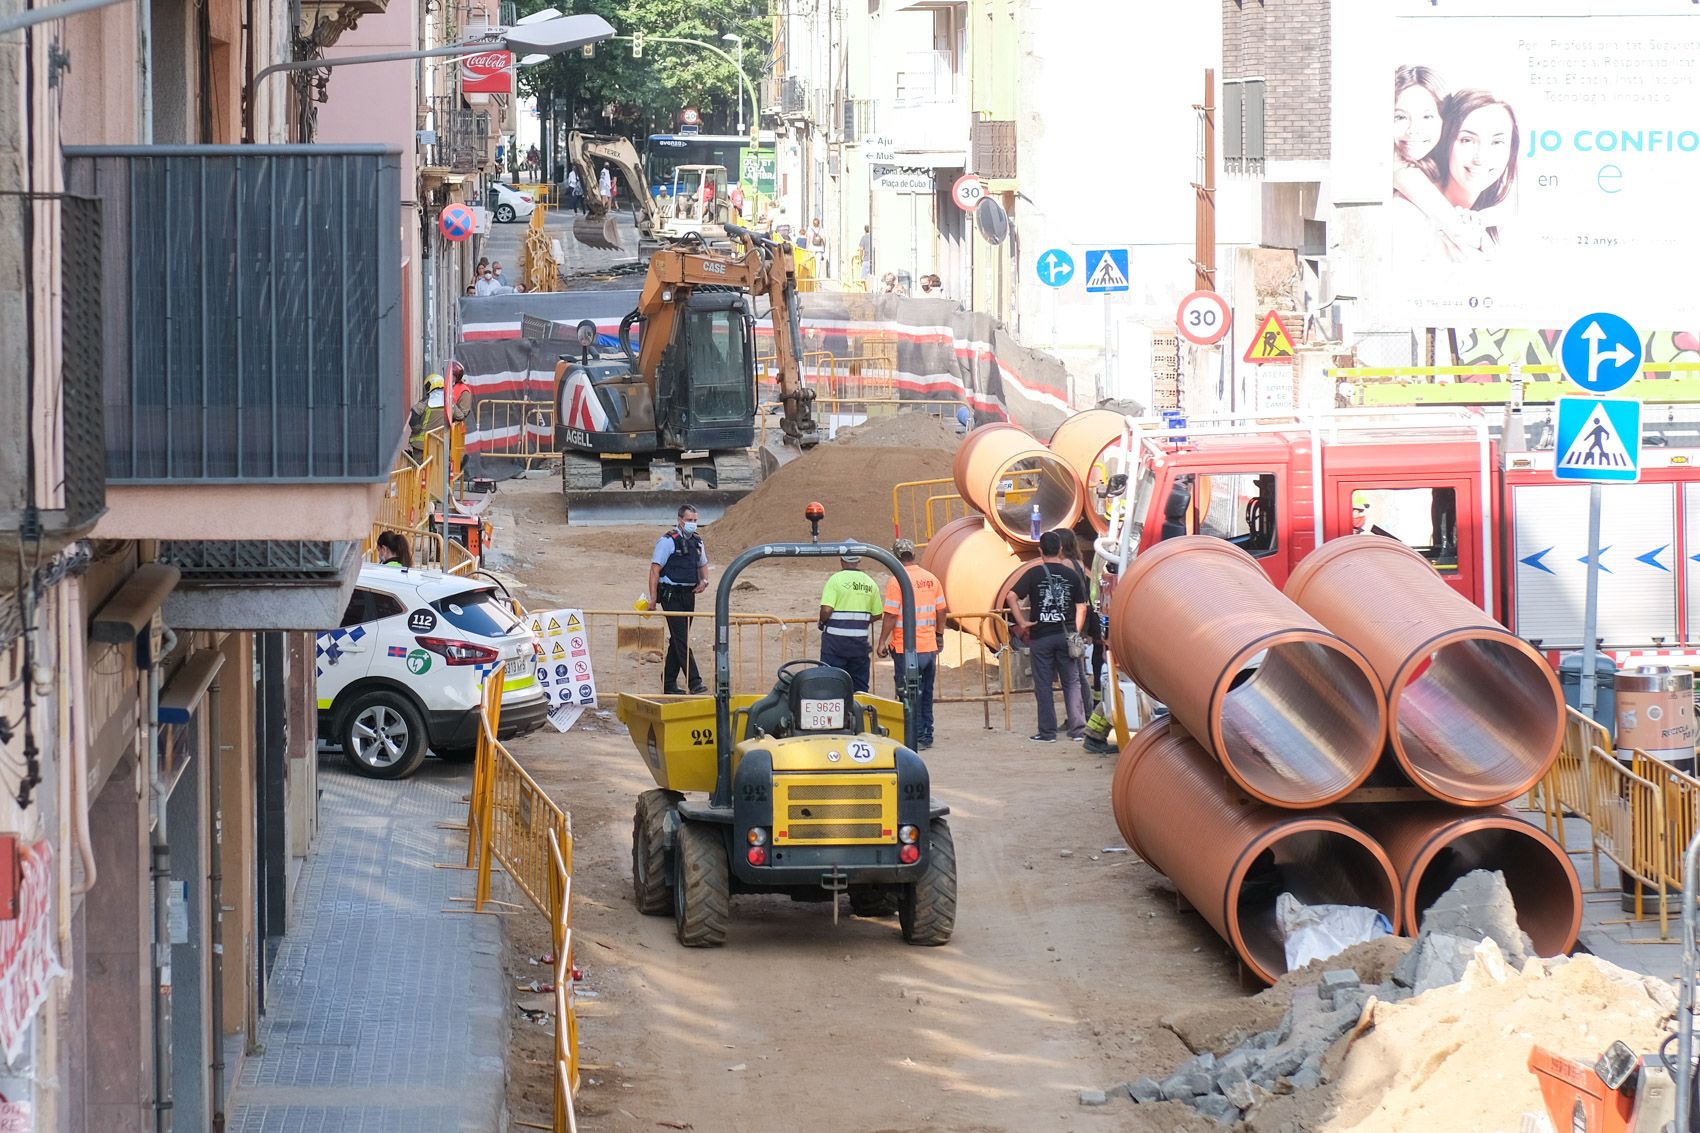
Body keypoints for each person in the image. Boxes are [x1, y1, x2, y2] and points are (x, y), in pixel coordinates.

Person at [1002, 530, 1087, 742]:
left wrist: (1021, 622)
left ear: (1040, 550)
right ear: (1059, 550)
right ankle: (1077, 729)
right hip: (1065, 634)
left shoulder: (1033, 574)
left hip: (1041, 636)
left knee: (1043, 684)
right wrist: (1073, 630)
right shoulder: (1072, 575)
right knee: (1072, 682)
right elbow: (1082, 607)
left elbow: (1011, 595)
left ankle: (1047, 732)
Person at [876, 538, 946, 750]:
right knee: (926, 692)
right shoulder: (931, 579)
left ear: (895, 557)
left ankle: (912, 736)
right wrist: (939, 635)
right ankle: (926, 734)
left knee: (908, 694)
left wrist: (881, 641)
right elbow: (941, 610)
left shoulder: (896, 580)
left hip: (906, 649)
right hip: (929, 647)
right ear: (913, 555)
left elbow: (890, 615)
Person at [648, 505, 709, 695]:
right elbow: (655, 570)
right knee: (681, 638)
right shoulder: (667, 541)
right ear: (680, 520)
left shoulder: (697, 542)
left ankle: (668, 682)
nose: (692, 524)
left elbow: (703, 564)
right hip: (670, 594)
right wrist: (653, 599)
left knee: (678, 639)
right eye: (689, 520)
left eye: (695, 520)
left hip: (688, 594)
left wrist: (704, 581)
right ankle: (695, 681)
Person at [817, 552, 884, 694]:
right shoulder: (869, 582)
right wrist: (861, 621)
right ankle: (858, 715)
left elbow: (827, 609)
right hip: (859, 646)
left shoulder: (835, 580)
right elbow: (877, 614)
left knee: (831, 687)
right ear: (859, 560)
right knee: (860, 691)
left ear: (842, 560)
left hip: (835, 646)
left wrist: (822, 621)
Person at [1054, 529, 1100, 695]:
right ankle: (1085, 709)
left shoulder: (1066, 563)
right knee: (1078, 671)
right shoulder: (1078, 562)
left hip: (1073, 617)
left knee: (1074, 673)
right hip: (1082, 616)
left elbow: (1070, 593)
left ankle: (1080, 712)